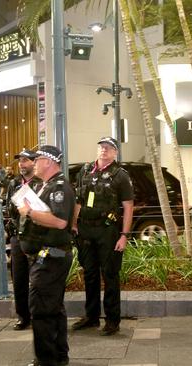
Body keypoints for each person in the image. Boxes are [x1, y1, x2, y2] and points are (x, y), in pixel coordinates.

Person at [16, 145, 74, 366]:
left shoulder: (59, 188)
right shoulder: (45, 186)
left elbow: (60, 222)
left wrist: (30, 212)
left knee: (41, 310)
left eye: (37, 158)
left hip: (51, 257)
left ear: (49, 162)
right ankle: (59, 356)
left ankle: (46, 361)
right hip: (47, 255)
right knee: (53, 308)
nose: (34, 162)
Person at [71, 137, 134, 337]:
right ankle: (91, 317)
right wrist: (74, 224)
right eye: (101, 147)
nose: (104, 150)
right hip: (86, 230)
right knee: (89, 274)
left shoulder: (120, 175)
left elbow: (128, 206)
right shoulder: (85, 170)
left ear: (115, 153)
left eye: (109, 148)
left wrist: (124, 235)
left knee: (110, 275)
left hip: (108, 231)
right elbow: (79, 199)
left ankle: (112, 320)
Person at [5, 149, 42, 331]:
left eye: (26, 160)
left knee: (38, 279)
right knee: (18, 278)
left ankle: (39, 315)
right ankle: (23, 316)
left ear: (34, 163)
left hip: (36, 237)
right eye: (20, 160)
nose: (21, 163)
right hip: (18, 237)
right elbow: (8, 208)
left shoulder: (41, 183)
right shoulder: (13, 183)